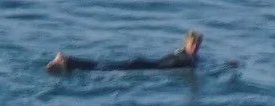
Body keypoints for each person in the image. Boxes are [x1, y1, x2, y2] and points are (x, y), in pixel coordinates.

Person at [49, 30, 202, 73]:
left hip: (144, 63)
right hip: (144, 65)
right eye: (192, 44)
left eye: (197, 44)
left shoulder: (181, 53)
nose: (194, 47)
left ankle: (68, 60)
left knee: (104, 66)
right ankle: (67, 61)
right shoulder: (189, 60)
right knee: (104, 68)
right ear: (186, 43)